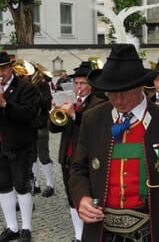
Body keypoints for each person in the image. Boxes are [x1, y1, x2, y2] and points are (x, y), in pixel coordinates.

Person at [69, 44, 159, 242]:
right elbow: (78, 168)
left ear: (141, 86)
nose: (119, 99)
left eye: (125, 91)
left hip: (152, 231)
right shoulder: (93, 119)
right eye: (112, 92)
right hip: (102, 232)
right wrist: (82, 198)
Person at [49, 61, 105, 242]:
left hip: (86, 158)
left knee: (86, 197)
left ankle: (90, 235)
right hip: (67, 156)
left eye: (82, 83)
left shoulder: (99, 103)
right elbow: (54, 129)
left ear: (91, 85)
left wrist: (74, 115)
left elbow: (94, 129)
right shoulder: (68, 100)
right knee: (71, 198)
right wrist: (55, 112)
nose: (78, 87)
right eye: (77, 83)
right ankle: (78, 235)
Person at [0, 52, 40, 242]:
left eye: (3, 69)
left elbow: (29, 114)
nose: (1, 73)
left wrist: (5, 105)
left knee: (21, 186)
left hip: (19, 146)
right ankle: (12, 227)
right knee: (3, 186)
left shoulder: (25, 88)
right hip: (0, 145)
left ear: (11, 68)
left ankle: (26, 228)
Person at [31, 69, 54, 198]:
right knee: (32, 156)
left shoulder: (44, 86)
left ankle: (50, 185)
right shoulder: (26, 85)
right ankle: (36, 184)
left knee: (43, 156)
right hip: (30, 125)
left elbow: (47, 105)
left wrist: (37, 92)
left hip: (41, 124)